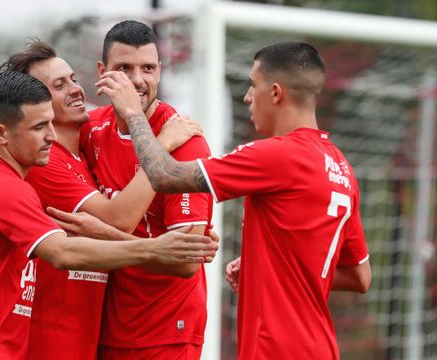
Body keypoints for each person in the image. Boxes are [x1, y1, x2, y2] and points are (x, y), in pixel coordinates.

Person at [97, 41, 372, 359]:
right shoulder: (341, 167)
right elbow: (359, 276)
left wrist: (133, 112)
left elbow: (163, 174)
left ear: (276, 93)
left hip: (276, 350)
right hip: (321, 347)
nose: (247, 98)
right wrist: (266, 266)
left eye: (253, 86)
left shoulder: (277, 155)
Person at [0, 70, 218, 359]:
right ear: (1, 134)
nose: (51, 136)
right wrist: (154, 248)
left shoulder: (1, 181)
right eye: (39, 127)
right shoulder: (5, 188)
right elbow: (63, 252)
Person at [1, 40, 204, 359]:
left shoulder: (86, 144)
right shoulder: (44, 163)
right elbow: (118, 219)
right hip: (52, 333)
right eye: (59, 85)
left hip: (121, 330)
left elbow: (186, 256)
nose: (75, 90)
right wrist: (160, 144)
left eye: (73, 80)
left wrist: (198, 227)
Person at [79, 20, 214, 359]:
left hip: (166, 332)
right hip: (103, 326)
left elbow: (185, 261)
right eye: (124, 68)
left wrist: (100, 233)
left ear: (160, 71)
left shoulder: (186, 142)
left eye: (148, 68)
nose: (138, 80)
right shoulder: (89, 130)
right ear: (102, 71)